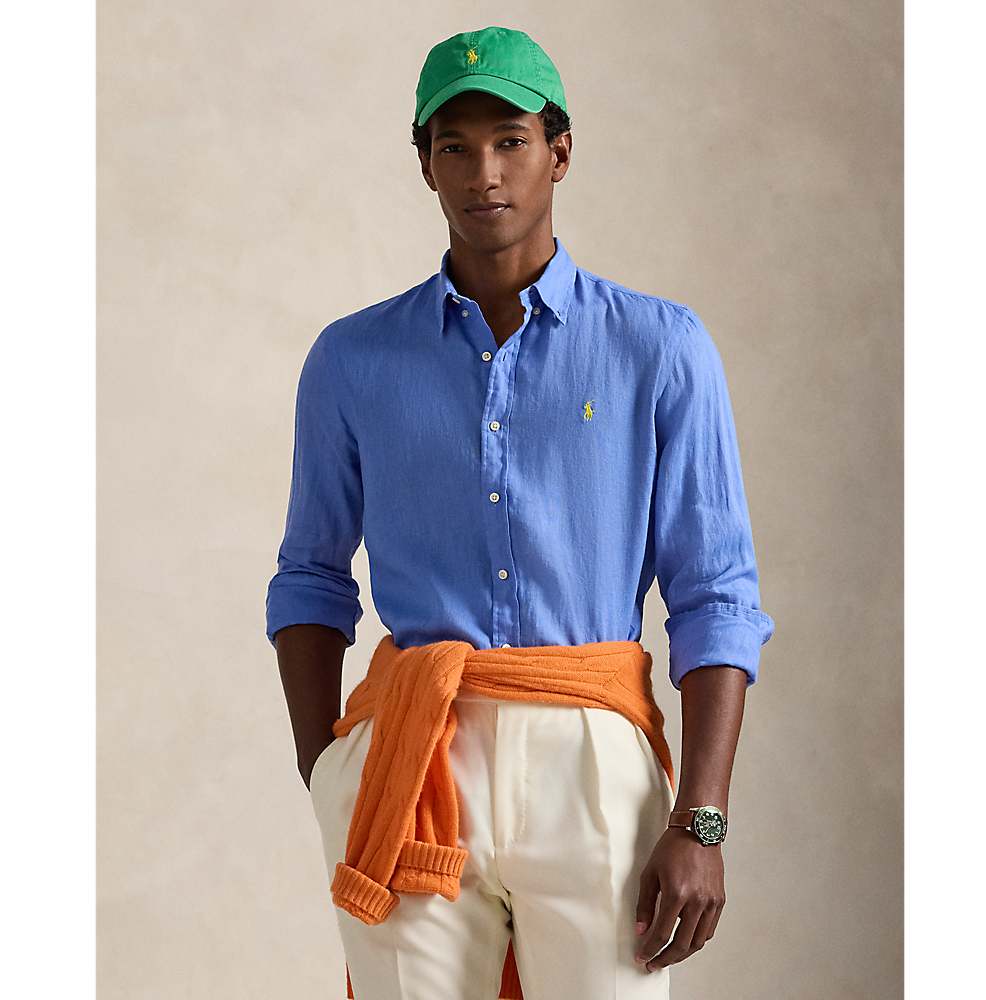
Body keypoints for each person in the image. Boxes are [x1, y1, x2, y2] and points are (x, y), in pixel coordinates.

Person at [266, 25, 773, 1000]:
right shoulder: (351, 360)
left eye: (510, 140)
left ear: (560, 151)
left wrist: (702, 817)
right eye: (454, 146)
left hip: (592, 759)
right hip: (411, 758)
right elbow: (311, 577)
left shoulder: (660, 348)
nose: (483, 172)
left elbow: (715, 593)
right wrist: (326, 770)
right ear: (423, 162)